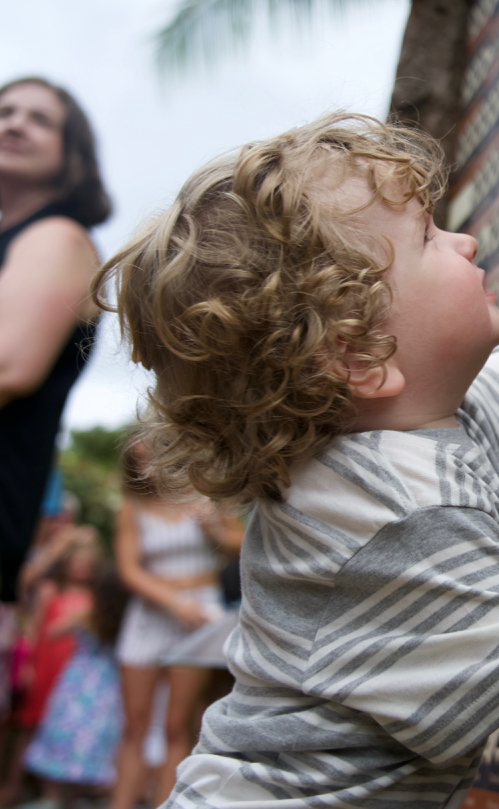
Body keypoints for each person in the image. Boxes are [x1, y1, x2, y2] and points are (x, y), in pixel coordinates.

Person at [96, 111, 499, 809]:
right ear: (360, 355)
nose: (465, 240)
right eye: (428, 238)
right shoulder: (390, 511)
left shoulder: (442, 416)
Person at [0, 77, 111, 605]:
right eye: (5, 111)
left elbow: (6, 369)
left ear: (72, 155)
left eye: (39, 119)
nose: (14, 123)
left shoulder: (57, 236)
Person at [109, 445, 243, 809]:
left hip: (201, 615)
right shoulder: (131, 509)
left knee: (177, 725)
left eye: (156, 452)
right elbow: (129, 570)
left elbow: (242, 544)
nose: (150, 463)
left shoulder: (208, 496)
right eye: (140, 458)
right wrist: (173, 602)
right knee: (134, 726)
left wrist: (213, 527)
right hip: (151, 615)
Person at [21, 548, 128, 809]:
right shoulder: (124, 620)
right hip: (108, 684)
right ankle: (80, 795)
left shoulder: (89, 615)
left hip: (78, 680)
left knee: (64, 730)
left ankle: (53, 797)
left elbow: (54, 632)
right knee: (96, 735)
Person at [0, 528, 99, 806]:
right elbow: (33, 630)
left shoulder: (95, 597)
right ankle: (11, 785)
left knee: (60, 728)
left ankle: (61, 794)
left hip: (73, 675)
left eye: (86, 560)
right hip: (45, 666)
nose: (80, 565)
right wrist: (26, 665)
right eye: (75, 559)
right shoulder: (49, 590)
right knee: (28, 727)